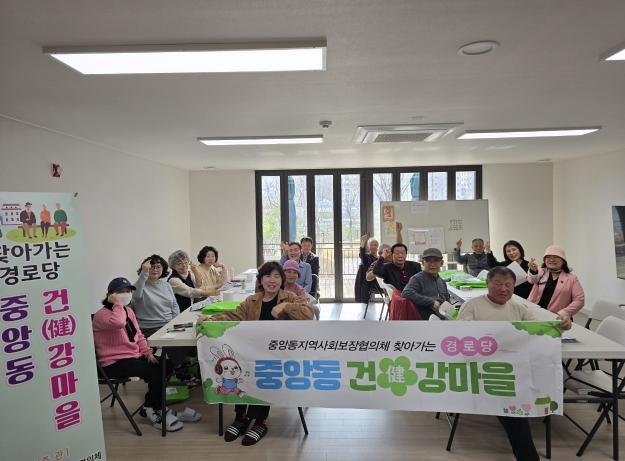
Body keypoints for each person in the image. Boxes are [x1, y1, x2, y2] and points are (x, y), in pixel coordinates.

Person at [457, 266, 571, 461]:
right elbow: (460, 339)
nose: (504, 289)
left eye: (508, 285)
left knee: (520, 399)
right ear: (487, 284)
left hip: (514, 370)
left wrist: (560, 326)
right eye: (498, 284)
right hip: (484, 370)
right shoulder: (473, 306)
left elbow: (538, 330)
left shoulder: (517, 307)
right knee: (513, 407)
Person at [198, 261, 313, 446]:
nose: (272, 280)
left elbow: (309, 314)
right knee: (238, 368)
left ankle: (260, 421)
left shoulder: (290, 297)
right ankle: (241, 417)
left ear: (282, 280)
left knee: (264, 370)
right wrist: (210, 319)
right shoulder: (252, 301)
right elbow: (233, 316)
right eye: (268, 276)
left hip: (279, 356)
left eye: (276, 276)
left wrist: (286, 307)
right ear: (261, 280)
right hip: (253, 352)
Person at [93, 277, 201, 432]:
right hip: (113, 363)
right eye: (120, 292)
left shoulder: (128, 311)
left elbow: (138, 334)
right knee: (155, 372)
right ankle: (158, 409)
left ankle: (150, 407)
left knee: (167, 365)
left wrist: (148, 353)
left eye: (128, 291)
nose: (125, 294)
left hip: (132, 357)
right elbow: (119, 322)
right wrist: (117, 304)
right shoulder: (102, 315)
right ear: (111, 295)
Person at [527, 245, 585, 318]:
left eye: (555, 257)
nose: (551, 260)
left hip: (556, 317)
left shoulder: (572, 279)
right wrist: (533, 271)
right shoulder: (539, 271)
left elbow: (579, 300)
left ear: (563, 260)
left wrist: (562, 314)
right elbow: (531, 280)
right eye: (548, 257)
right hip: (534, 313)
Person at [402, 248, 450, 320]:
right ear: (423, 263)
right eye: (428, 261)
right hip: (429, 321)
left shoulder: (441, 281)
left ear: (441, 263)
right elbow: (406, 292)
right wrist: (431, 302)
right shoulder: (417, 279)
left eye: (436, 261)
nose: (432, 264)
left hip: (445, 318)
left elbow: (447, 301)